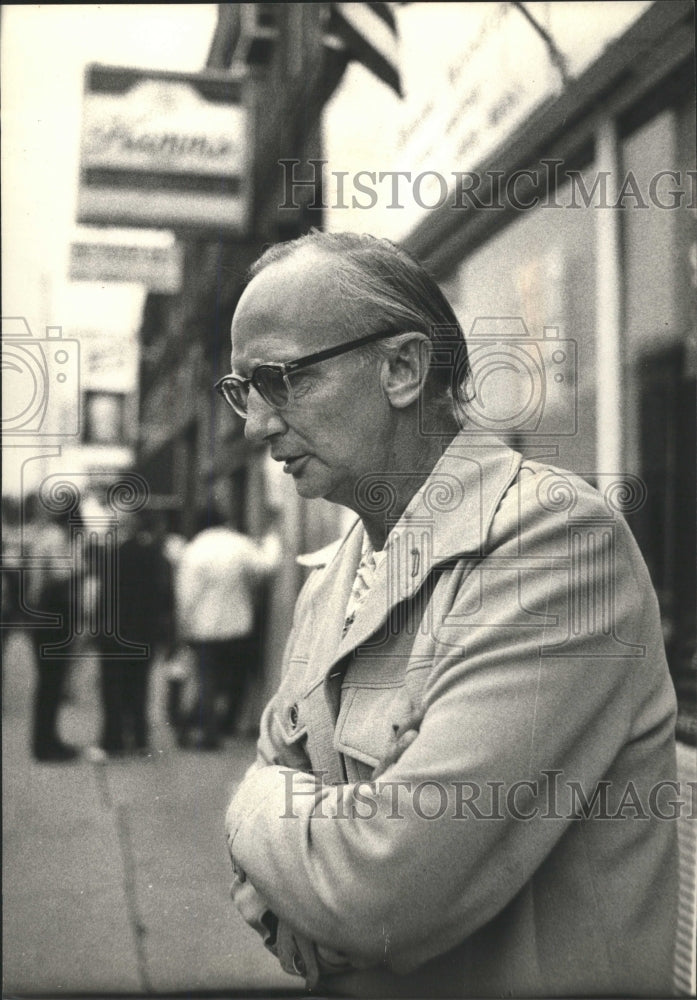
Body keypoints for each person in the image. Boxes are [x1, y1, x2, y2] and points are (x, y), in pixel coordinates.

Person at [221, 232, 679, 997]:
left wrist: (252, 805)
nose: (254, 426)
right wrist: (309, 860)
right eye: (241, 391)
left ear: (402, 368)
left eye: (278, 380)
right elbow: (324, 882)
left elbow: (379, 895)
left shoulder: (554, 541)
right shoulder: (331, 579)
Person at [175, 507, 280, 750]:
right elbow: (266, 566)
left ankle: (206, 733)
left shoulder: (194, 550)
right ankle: (228, 722)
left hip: (203, 628)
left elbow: (186, 595)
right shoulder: (239, 544)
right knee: (235, 677)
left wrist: (182, 627)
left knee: (206, 680)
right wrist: (274, 538)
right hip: (238, 625)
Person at [91, 508, 173, 758]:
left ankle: (113, 741)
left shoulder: (113, 555)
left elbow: (104, 598)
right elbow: (165, 596)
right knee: (139, 687)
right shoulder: (157, 557)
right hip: (144, 633)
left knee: (113, 688)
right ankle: (139, 740)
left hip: (114, 634)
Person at [25, 494, 80, 762]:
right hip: (53, 617)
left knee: (50, 683)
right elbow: (60, 574)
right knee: (51, 683)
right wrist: (81, 566)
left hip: (42, 617)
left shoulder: (46, 535)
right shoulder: (57, 537)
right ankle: (45, 745)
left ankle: (48, 739)